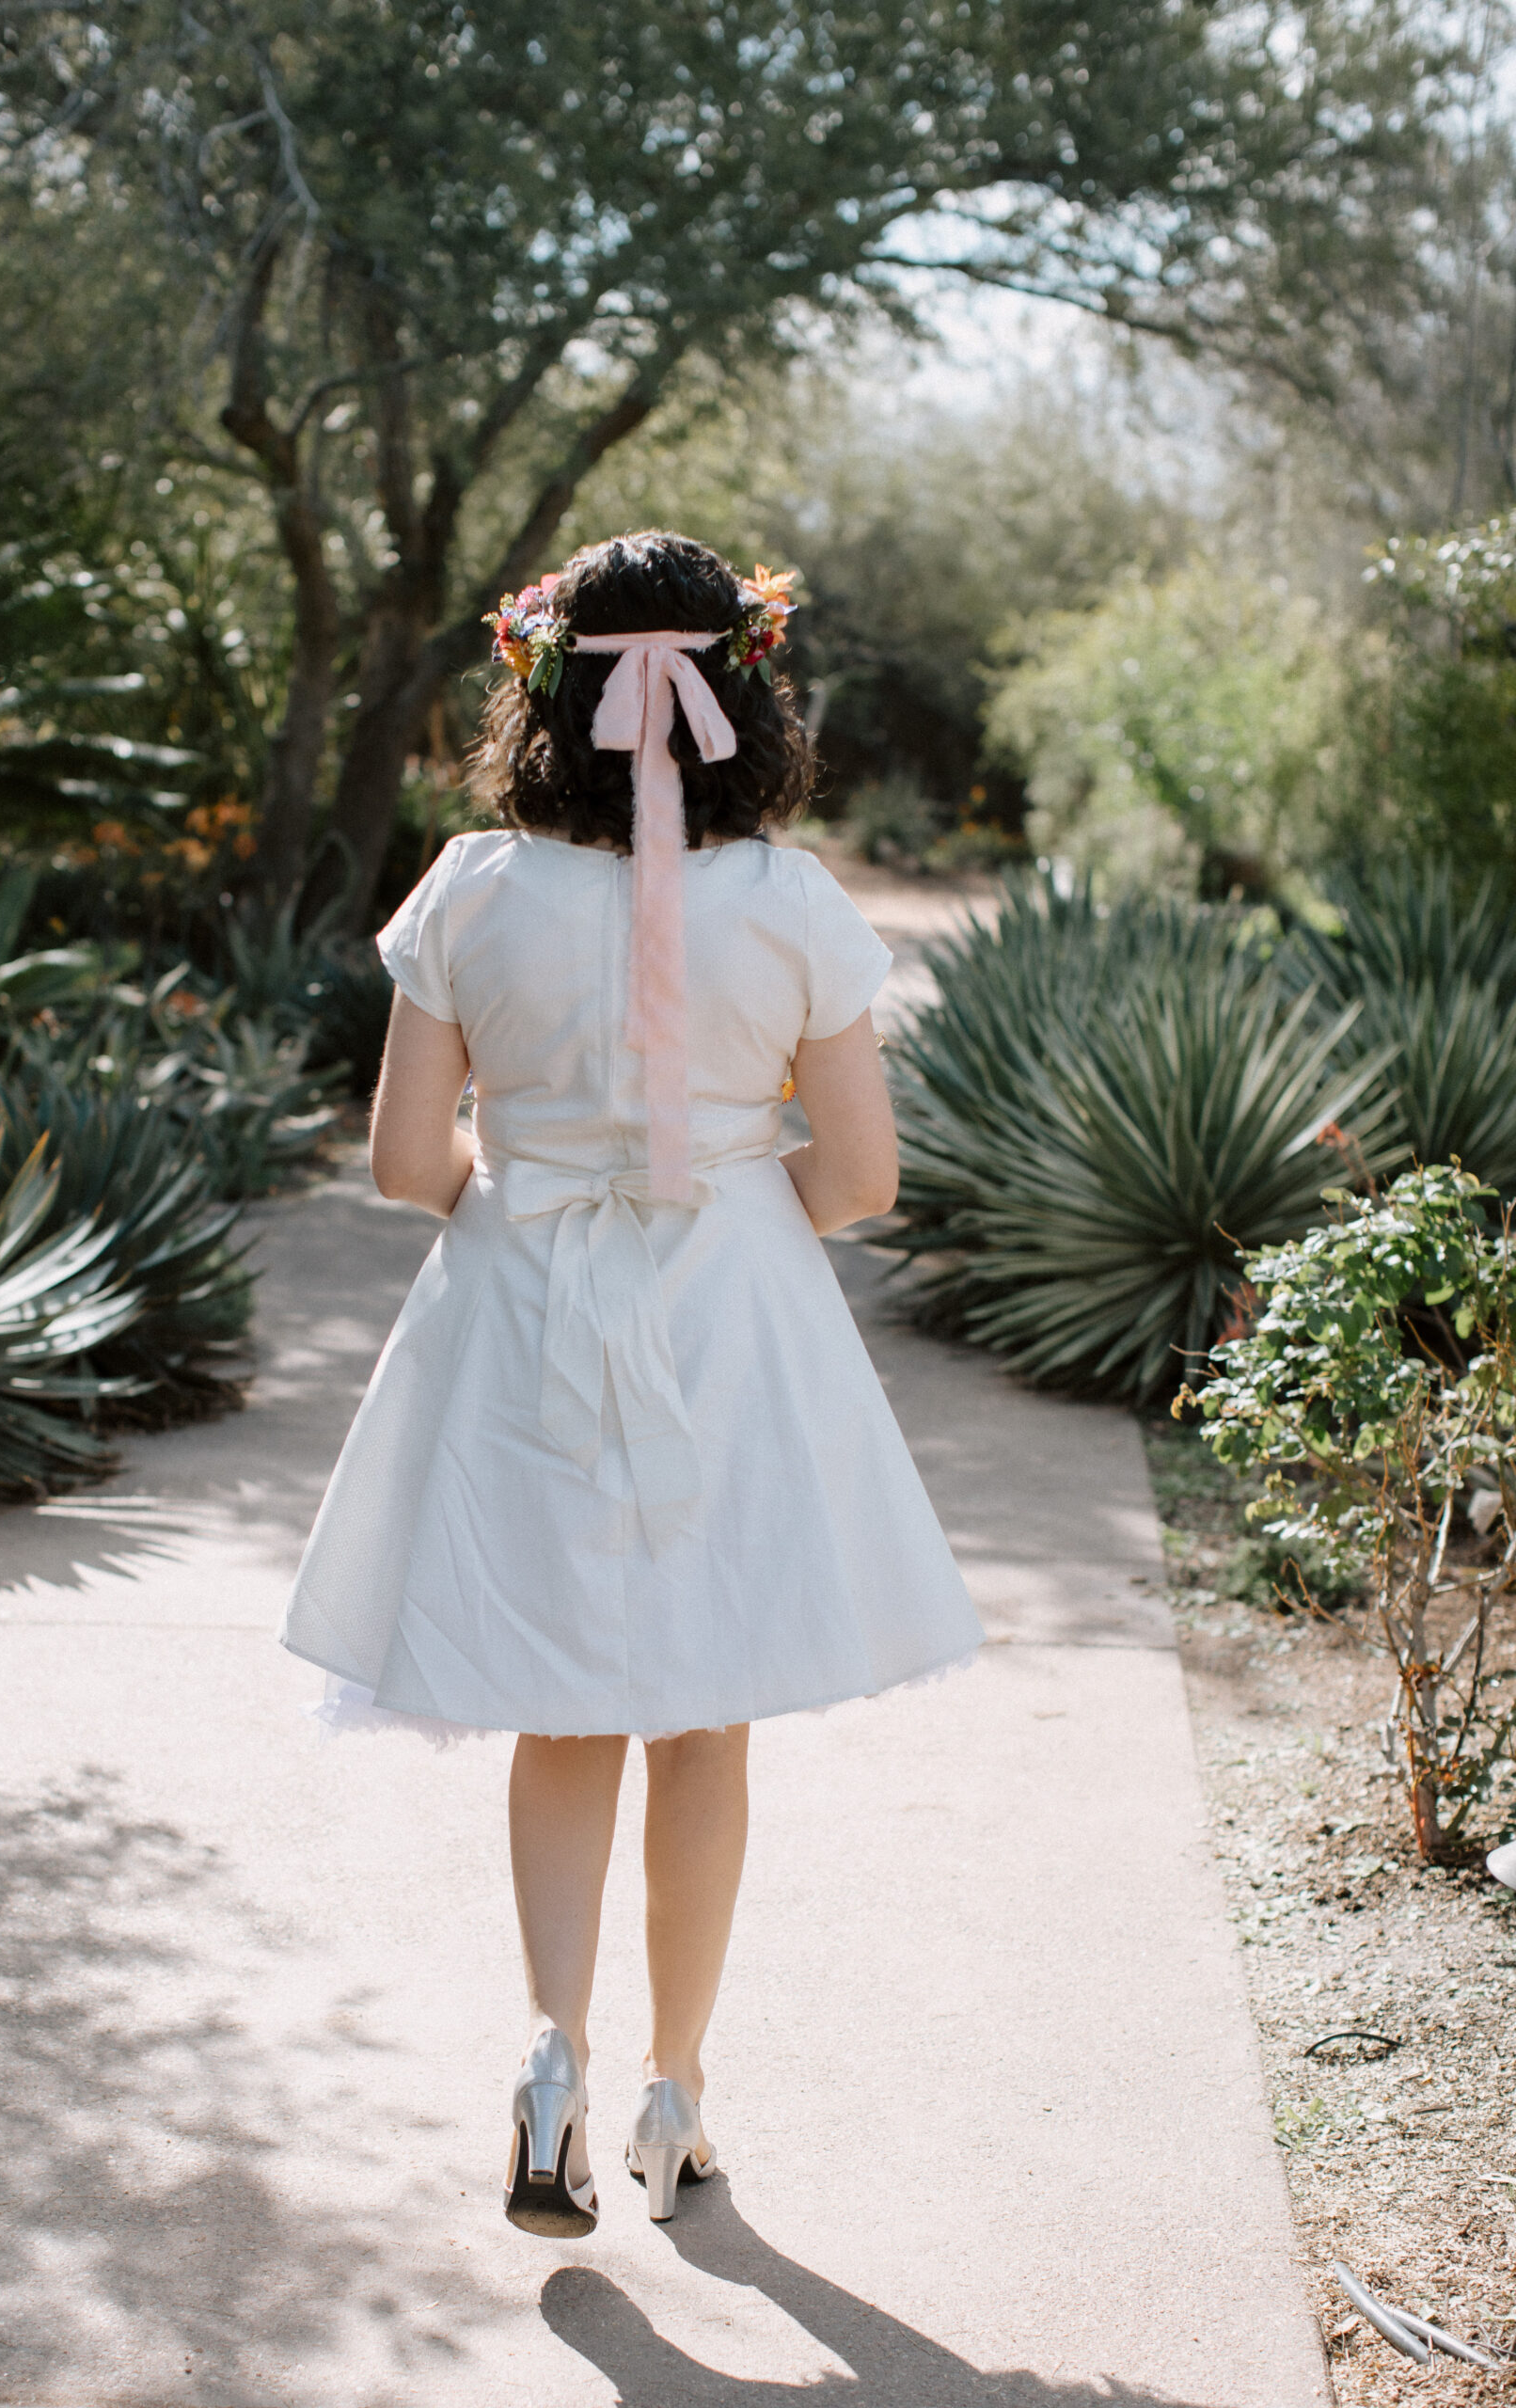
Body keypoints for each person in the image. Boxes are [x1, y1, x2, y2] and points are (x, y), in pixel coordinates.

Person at [279, 530, 982, 2238]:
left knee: (560, 1698)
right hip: (733, 1319)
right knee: (703, 1704)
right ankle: (678, 2094)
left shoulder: (466, 892)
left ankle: (549, 2062)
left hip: (523, 1307)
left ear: (543, 691)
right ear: (746, 686)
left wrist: (522, 1220)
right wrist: (731, 1227)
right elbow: (868, 1177)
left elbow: (395, 1161)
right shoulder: (796, 904)